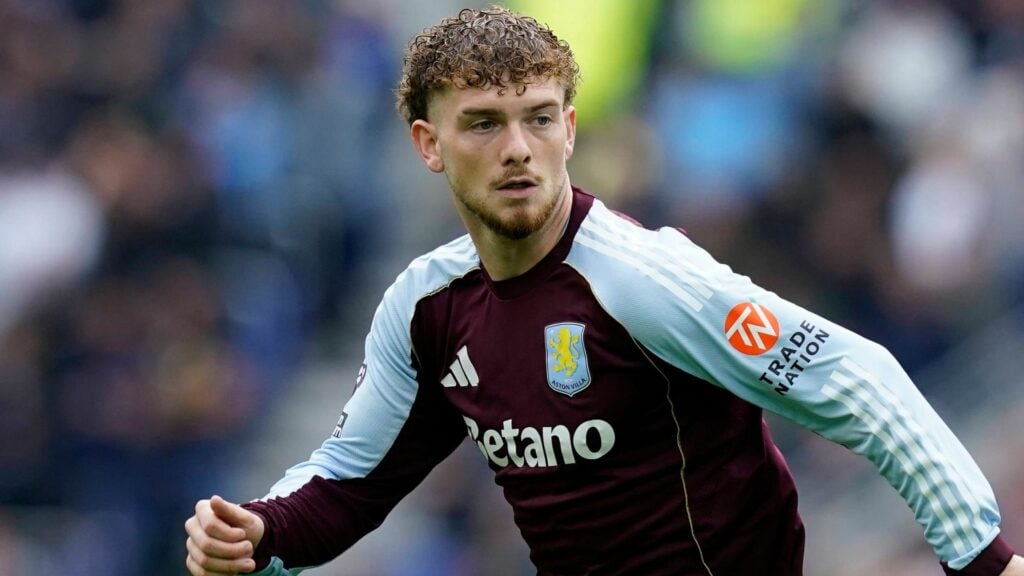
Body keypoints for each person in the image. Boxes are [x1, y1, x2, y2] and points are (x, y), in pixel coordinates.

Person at [185, 7, 1023, 576]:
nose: (518, 148)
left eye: (539, 118)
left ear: (571, 130)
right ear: (428, 144)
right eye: (484, 123)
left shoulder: (642, 278)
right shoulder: (425, 306)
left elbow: (857, 377)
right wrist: (257, 534)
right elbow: (350, 482)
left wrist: (982, 558)